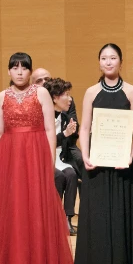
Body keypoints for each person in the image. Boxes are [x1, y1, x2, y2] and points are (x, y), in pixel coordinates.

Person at [0, 52, 73, 264]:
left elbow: (50, 129)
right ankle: (11, 260)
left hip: (35, 153)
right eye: (15, 68)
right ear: (9, 71)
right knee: (13, 205)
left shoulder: (41, 92)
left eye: (24, 68)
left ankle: (37, 260)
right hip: (9, 155)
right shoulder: (2, 96)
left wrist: (49, 161)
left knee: (35, 203)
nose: (19, 72)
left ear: (30, 71)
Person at [75, 44, 133, 264]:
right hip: (97, 161)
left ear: (120, 62)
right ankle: (96, 262)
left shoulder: (131, 91)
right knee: (98, 213)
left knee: (121, 212)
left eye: (113, 58)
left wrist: (129, 155)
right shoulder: (91, 92)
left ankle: (124, 263)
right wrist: (85, 156)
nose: (108, 62)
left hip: (122, 161)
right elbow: (84, 127)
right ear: (99, 62)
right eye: (104, 58)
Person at [46, 78, 84, 234]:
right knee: (59, 176)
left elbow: (70, 142)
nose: (70, 99)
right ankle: (53, 218)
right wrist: (64, 134)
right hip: (45, 157)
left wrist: (72, 133)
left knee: (71, 174)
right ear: (55, 98)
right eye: (66, 95)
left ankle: (68, 218)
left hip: (60, 157)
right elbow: (44, 142)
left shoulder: (66, 118)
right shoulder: (42, 116)